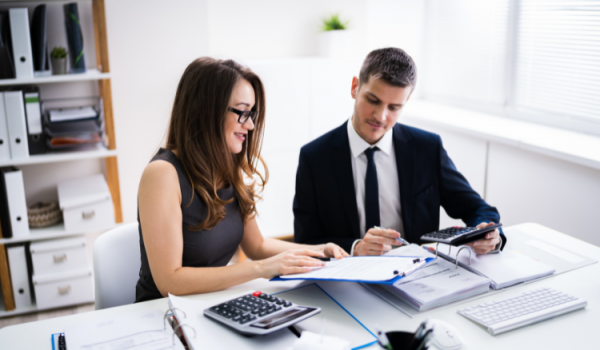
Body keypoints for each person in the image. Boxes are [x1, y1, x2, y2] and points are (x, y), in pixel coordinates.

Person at [136, 58, 348, 302]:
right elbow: (169, 281)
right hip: (163, 314)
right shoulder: (162, 174)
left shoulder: (228, 168)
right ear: (207, 110)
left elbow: (256, 246)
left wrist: (319, 250)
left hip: (208, 304)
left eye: (252, 114)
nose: (250, 125)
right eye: (242, 112)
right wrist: (260, 269)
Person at [293, 47, 505, 256]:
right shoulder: (314, 157)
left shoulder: (428, 148)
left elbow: (478, 208)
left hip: (417, 276)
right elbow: (305, 240)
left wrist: (488, 235)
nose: (381, 116)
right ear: (354, 87)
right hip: (345, 278)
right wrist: (355, 247)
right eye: (373, 100)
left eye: (394, 107)